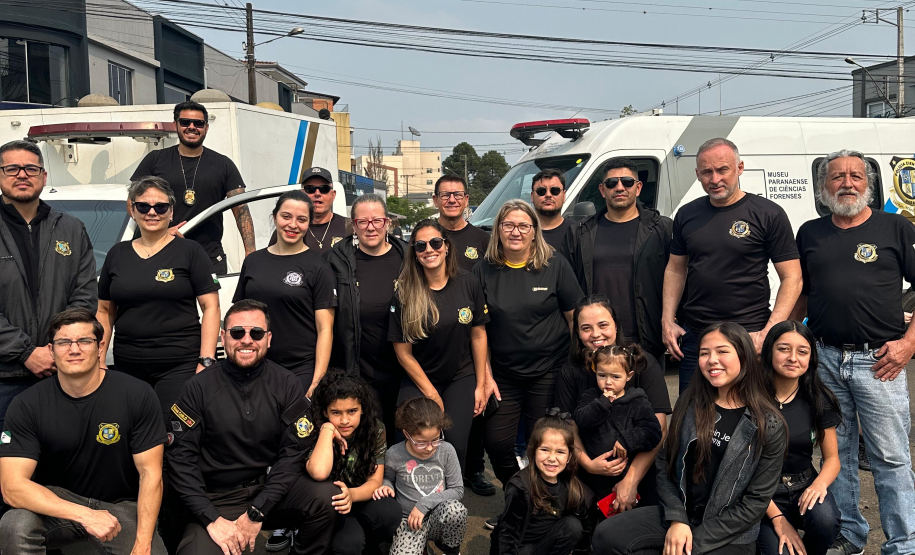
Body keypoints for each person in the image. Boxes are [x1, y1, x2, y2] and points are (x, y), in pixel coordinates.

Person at [792, 150, 915, 555]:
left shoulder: (896, 227)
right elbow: (803, 295)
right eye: (838, 176)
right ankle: (850, 536)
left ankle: (903, 544)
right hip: (825, 360)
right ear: (824, 186)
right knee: (836, 453)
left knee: (890, 459)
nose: (847, 182)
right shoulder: (810, 232)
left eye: (856, 176)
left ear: (869, 183)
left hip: (879, 361)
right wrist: (789, 338)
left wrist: (909, 343)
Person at [592, 322, 787, 555]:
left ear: (743, 357)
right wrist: (677, 520)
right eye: (705, 353)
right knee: (606, 535)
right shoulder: (691, 402)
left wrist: (692, 540)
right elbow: (665, 465)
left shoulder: (769, 423)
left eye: (722, 351)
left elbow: (755, 503)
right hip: (681, 514)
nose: (712, 359)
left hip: (728, 534)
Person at [166, 299, 338, 555]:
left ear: (268, 338)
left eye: (256, 333)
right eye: (237, 332)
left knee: (326, 499)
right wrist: (211, 518)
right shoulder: (197, 387)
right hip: (217, 499)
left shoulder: (287, 383)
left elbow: (293, 454)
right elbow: (180, 460)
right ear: (223, 337)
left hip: (269, 490)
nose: (247, 339)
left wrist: (259, 510)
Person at [0, 308, 166, 555]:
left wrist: (142, 545)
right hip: (59, 507)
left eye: (84, 341)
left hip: (121, 509)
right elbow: (11, 487)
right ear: (52, 351)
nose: (74, 349)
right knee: (14, 525)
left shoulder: (137, 394)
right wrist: (86, 515)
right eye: (64, 342)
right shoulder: (27, 404)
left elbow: (150, 475)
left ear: (100, 348)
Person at [662, 138, 802, 393]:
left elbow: (793, 277)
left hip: (748, 335)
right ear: (697, 174)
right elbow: (675, 269)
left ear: (739, 168)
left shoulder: (768, 213)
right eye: (706, 172)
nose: (714, 179)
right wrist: (667, 319)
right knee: (691, 420)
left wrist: (768, 332)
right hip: (697, 337)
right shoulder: (686, 215)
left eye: (722, 169)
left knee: (751, 420)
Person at [473, 199, 583, 490]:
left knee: (542, 445)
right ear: (498, 230)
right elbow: (478, 330)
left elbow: (574, 318)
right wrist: (486, 375)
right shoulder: (483, 270)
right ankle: (520, 494)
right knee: (496, 442)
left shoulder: (555, 264)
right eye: (508, 225)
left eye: (524, 225)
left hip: (548, 371)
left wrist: (574, 366)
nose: (516, 231)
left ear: (534, 230)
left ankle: (539, 506)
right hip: (504, 375)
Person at [97, 176, 220, 421]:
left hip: (179, 365)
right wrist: (99, 360)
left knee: (173, 433)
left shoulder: (190, 252)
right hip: (127, 365)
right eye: (143, 206)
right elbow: (104, 311)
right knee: (131, 431)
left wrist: (206, 361)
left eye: (160, 207)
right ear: (132, 210)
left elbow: (211, 307)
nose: (152, 212)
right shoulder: (116, 254)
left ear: (171, 212)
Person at [0, 140, 97, 429]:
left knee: (64, 465)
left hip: (62, 375)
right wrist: (26, 351)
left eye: (30, 168)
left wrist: (58, 348)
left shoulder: (71, 228)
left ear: (43, 176)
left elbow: (85, 297)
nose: (22, 175)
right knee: (8, 466)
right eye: (12, 168)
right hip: (4, 379)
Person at [390, 219, 489, 470]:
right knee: (413, 440)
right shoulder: (405, 291)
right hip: (419, 377)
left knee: (453, 446)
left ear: (446, 246)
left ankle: (448, 502)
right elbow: (403, 354)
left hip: (460, 375)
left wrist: (481, 384)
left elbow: (478, 336)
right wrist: (431, 394)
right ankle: (412, 499)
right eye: (420, 245)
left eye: (435, 243)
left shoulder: (469, 282)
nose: (429, 250)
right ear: (413, 252)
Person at [556, 295, 671, 511]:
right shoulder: (571, 371)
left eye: (603, 325)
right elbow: (567, 425)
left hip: (639, 465)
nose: (596, 334)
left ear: (616, 326)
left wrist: (631, 481)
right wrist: (589, 465)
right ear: (578, 333)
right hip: (586, 462)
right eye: (586, 328)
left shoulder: (643, 364)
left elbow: (659, 428)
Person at [562, 158, 672, 360]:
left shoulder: (661, 229)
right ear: (603, 190)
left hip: (646, 338)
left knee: (647, 392)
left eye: (627, 182)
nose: (619, 187)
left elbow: (676, 276)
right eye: (612, 183)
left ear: (638, 188)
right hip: (598, 340)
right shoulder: (580, 232)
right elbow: (567, 287)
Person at [131, 100, 254, 273]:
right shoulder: (155, 160)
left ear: (206, 128)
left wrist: (251, 252)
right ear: (176, 125)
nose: (191, 127)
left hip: (208, 256)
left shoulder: (223, 164)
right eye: (185, 122)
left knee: (212, 301)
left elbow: (241, 209)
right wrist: (161, 231)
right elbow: (132, 204)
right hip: (160, 252)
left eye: (198, 123)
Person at [234, 190, 336, 397]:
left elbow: (325, 329)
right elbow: (239, 316)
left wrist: (317, 380)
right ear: (275, 217)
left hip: (300, 370)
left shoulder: (318, 267)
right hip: (254, 366)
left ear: (308, 224)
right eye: (286, 216)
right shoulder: (253, 262)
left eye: (301, 219)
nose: (293, 225)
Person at [432, 175, 495, 497]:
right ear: (435, 200)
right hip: (437, 334)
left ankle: (474, 470)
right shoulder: (429, 237)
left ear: (467, 199)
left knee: (475, 410)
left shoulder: (482, 240)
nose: (452, 200)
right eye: (445, 195)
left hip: (475, 331)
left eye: (457, 194)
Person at [327, 194, 406, 444]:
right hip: (360, 367)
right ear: (353, 225)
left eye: (377, 220)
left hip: (404, 367)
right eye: (363, 222)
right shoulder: (337, 261)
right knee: (370, 437)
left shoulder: (408, 257)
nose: (371, 227)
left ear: (388, 223)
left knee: (403, 434)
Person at [758, 321, 841, 555]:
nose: (793, 357)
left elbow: (832, 459)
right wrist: (779, 519)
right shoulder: (750, 398)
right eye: (783, 349)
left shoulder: (818, 398)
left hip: (803, 483)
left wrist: (819, 485)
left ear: (811, 358)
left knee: (826, 522)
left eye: (802, 351)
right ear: (769, 351)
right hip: (760, 492)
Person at [307, 369, 401, 555]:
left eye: (352, 411)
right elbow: (318, 471)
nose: (344, 420)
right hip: (330, 507)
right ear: (325, 412)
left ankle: (369, 545)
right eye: (335, 412)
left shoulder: (375, 429)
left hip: (357, 496)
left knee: (390, 510)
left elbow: (375, 482)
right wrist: (327, 429)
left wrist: (351, 494)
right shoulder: (315, 430)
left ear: (362, 408)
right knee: (349, 545)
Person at [374, 397, 466, 555]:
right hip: (409, 520)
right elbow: (388, 478)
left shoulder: (447, 450)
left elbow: (457, 489)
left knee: (456, 510)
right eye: (421, 442)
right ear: (406, 434)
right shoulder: (394, 454)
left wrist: (424, 504)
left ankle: (450, 548)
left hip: (438, 515)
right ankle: (419, 546)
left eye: (436, 440)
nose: (430, 448)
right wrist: (386, 487)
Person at [573, 344, 663, 501]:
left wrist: (626, 440)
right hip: (593, 478)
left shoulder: (637, 401)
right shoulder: (591, 397)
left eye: (615, 377)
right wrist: (601, 404)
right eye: (602, 375)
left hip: (626, 476)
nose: (608, 382)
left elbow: (653, 432)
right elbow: (580, 420)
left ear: (629, 376)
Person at [490, 413, 589, 555]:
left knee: (573, 525)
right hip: (520, 549)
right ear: (533, 451)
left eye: (560, 452)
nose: (552, 458)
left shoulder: (571, 485)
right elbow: (508, 534)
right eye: (544, 450)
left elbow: (585, 526)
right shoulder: (520, 487)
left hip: (544, 544)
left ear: (569, 457)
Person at [531, 169, 571, 251]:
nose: (548, 195)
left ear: (564, 195)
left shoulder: (578, 232)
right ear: (532, 196)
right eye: (541, 191)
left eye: (555, 190)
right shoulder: (520, 233)